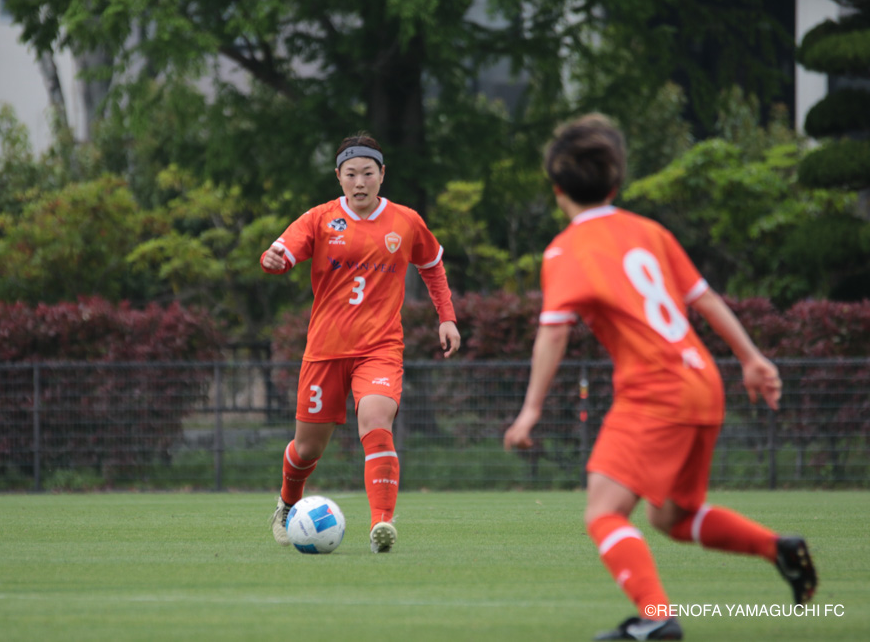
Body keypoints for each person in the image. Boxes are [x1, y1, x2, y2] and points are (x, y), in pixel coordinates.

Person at [503, 114, 817, 640]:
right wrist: (752, 358)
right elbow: (705, 300)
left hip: (655, 390)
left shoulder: (565, 251)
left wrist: (530, 410)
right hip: (703, 383)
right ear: (616, 184)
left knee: (603, 512)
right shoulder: (649, 231)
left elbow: (553, 334)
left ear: (557, 189)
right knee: (673, 516)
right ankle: (777, 548)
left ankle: (656, 618)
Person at [261, 133, 460, 553]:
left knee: (376, 422)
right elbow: (281, 253)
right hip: (325, 350)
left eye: (368, 173)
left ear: (382, 175)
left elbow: (432, 265)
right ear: (339, 177)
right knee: (306, 449)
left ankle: (381, 524)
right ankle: (287, 503)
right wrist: (272, 260)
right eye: (351, 174)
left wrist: (447, 317)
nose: (360, 182)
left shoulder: (406, 221)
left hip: (380, 348)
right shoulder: (319, 218)